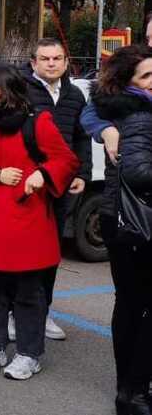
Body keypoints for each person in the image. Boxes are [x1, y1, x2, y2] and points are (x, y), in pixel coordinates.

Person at [0, 64, 79, 381]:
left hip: (28, 219)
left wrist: (42, 174)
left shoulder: (36, 122)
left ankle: (29, 353)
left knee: (28, 292)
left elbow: (65, 159)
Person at [86, 45, 152, 413]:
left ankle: (128, 388)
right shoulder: (141, 114)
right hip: (136, 223)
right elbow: (137, 172)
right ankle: (135, 390)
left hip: (121, 219)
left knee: (129, 305)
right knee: (138, 307)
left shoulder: (122, 108)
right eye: (147, 77)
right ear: (129, 83)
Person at [18, 38, 91, 341]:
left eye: (57, 58)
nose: (51, 63)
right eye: (45, 58)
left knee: (50, 254)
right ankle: (15, 313)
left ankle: (42, 312)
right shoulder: (20, 91)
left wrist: (82, 172)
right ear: (33, 63)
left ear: (64, 62)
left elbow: (81, 137)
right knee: (21, 254)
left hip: (60, 186)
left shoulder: (74, 95)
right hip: (26, 185)